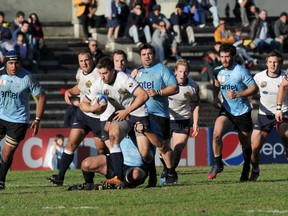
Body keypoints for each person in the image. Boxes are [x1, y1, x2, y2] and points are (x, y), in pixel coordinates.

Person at [80, 56, 163, 187]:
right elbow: (83, 104)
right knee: (113, 135)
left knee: (145, 152)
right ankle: (118, 177)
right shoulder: (99, 83)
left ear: (113, 70)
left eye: (105, 73)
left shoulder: (123, 79)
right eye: (100, 74)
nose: (102, 77)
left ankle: (152, 174)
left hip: (137, 113)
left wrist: (127, 111)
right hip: (123, 114)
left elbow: (143, 95)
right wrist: (92, 108)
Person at [47, 50, 108, 186]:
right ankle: (60, 177)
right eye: (81, 61)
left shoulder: (99, 74)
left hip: (98, 117)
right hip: (82, 115)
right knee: (70, 144)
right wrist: (69, 91)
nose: (84, 63)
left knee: (102, 149)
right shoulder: (79, 72)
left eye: (86, 60)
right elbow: (80, 87)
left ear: (92, 59)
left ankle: (111, 175)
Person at [207, 43, 258, 182]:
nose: (224, 59)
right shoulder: (218, 70)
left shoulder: (241, 71)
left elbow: (254, 88)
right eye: (222, 56)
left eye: (227, 56)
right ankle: (218, 164)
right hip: (227, 110)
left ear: (233, 57)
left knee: (244, 144)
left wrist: (238, 94)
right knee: (216, 134)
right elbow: (216, 83)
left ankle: (246, 168)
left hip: (242, 112)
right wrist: (215, 98)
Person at [131, 44, 179, 184]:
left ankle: (170, 172)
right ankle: (152, 175)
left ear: (154, 55)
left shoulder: (162, 69)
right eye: (144, 54)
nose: (147, 56)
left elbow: (175, 87)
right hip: (141, 115)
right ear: (140, 57)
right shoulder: (136, 73)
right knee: (145, 152)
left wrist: (159, 92)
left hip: (159, 115)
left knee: (162, 147)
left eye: (150, 53)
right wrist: (131, 77)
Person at [0, 50, 46, 190]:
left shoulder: (28, 77)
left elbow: (42, 96)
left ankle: (1, 181)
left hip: (18, 121)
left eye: (17, 63)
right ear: (6, 63)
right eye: (11, 63)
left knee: (6, 154)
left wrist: (37, 119)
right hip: (1, 117)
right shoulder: (0, 74)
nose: (14, 66)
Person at [159, 59, 200, 184]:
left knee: (177, 149)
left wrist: (195, 123)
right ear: (175, 71)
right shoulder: (166, 83)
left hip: (183, 120)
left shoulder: (193, 86)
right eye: (180, 71)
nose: (183, 75)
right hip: (166, 119)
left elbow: (196, 104)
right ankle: (169, 171)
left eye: (185, 71)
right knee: (163, 150)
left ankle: (167, 172)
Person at [250, 51, 288, 182]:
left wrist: (280, 110)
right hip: (264, 115)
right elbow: (252, 90)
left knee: (286, 133)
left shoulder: (284, 76)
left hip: (283, 113)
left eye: (275, 62)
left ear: (280, 64)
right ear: (266, 63)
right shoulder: (259, 77)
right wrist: (249, 99)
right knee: (254, 147)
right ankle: (255, 170)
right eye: (270, 62)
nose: (273, 64)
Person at [68, 134, 151, 190]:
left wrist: (153, 176)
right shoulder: (115, 118)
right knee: (86, 164)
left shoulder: (141, 120)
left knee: (136, 175)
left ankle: (119, 185)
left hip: (136, 165)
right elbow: (105, 137)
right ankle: (89, 184)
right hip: (116, 159)